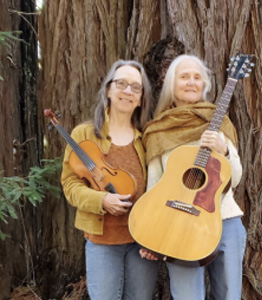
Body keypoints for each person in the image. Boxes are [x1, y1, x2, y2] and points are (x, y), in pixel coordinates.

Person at [140, 54, 247, 300]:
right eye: (184, 76)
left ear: (204, 85)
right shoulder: (158, 130)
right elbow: (153, 187)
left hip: (225, 220)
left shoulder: (218, 121)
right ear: (171, 84)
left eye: (197, 77)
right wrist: (151, 234)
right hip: (178, 224)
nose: (191, 82)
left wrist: (225, 150)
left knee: (230, 295)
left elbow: (236, 178)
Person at [61, 60, 158, 299]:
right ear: (108, 90)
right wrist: (101, 200)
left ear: (141, 98)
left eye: (136, 87)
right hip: (102, 241)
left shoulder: (148, 137)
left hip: (142, 241)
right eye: (121, 84)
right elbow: (70, 185)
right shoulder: (84, 134)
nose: (127, 91)